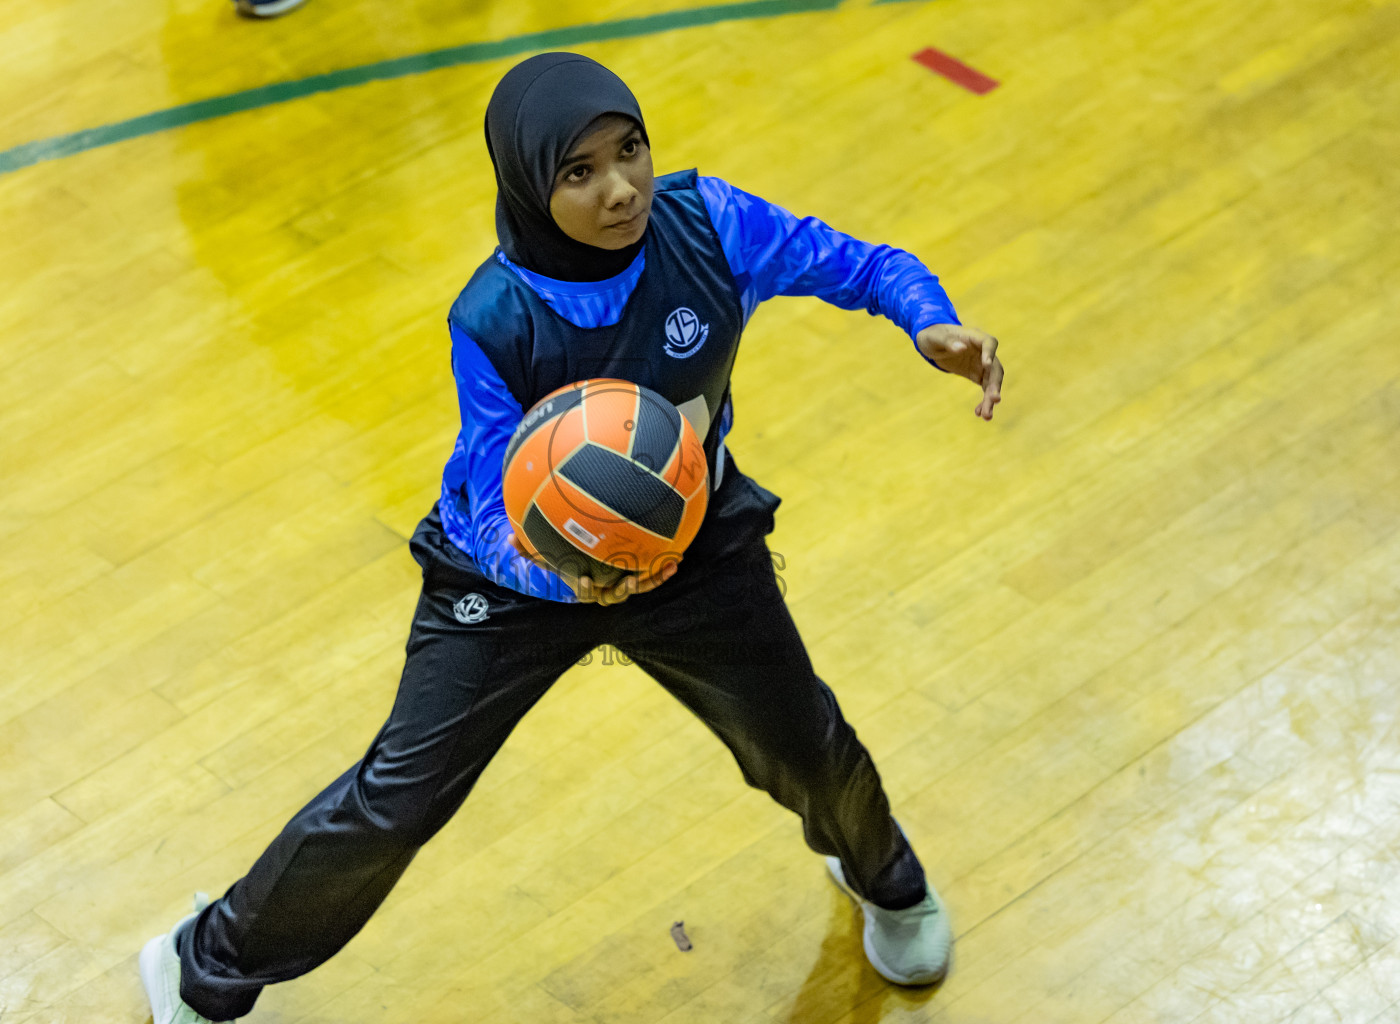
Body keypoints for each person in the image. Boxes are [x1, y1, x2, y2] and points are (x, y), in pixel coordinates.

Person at [139, 51, 1004, 1024]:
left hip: (692, 552)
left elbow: (862, 262)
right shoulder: (495, 315)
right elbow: (476, 503)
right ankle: (203, 960)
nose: (621, 187)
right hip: (516, 579)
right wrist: (560, 580)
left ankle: (886, 879)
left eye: (629, 150)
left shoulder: (708, 223)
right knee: (398, 798)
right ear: (527, 182)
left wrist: (928, 321)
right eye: (579, 171)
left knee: (801, 738)